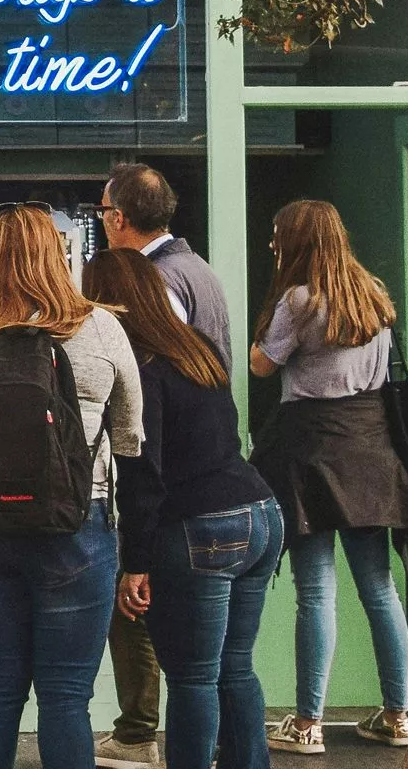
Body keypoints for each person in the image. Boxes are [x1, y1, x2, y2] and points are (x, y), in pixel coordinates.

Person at [0, 204, 144, 769]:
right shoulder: (101, 325)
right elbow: (130, 436)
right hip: (77, 523)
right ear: (59, 253)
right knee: (66, 694)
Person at [247, 201, 408, 755]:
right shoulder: (370, 291)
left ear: (298, 242)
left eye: (279, 237)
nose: (274, 245)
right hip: (369, 449)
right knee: (379, 588)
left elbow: (261, 365)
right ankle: (399, 716)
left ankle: (307, 724)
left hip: (310, 450)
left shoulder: (299, 301)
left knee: (315, 592)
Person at [90, 249, 282, 769]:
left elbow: (143, 472)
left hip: (202, 527)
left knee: (193, 677)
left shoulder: (142, 368)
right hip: (260, 511)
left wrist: (136, 561)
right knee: (236, 668)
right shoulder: (196, 348)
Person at [92, 163, 231, 768]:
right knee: (223, 659)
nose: (101, 222)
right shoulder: (198, 268)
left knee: (138, 603)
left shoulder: (154, 282)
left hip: (170, 477)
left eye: (102, 212)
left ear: (119, 218)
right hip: (213, 468)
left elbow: (145, 396)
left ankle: (139, 730)